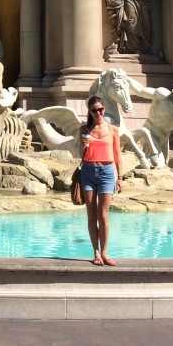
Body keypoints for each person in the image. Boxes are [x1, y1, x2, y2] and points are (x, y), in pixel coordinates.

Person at [79, 95, 123, 265]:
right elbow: (80, 154)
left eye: (100, 109)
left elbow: (117, 155)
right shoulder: (85, 129)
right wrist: (83, 146)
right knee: (91, 215)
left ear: (104, 109)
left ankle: (104, 252)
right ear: (90, 112)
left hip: (106, 173)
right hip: (88, 171)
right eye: (94, 111)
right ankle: (96, 252)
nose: (98, 113)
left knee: (103, 216)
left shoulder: (113, 130)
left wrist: (120, 178)